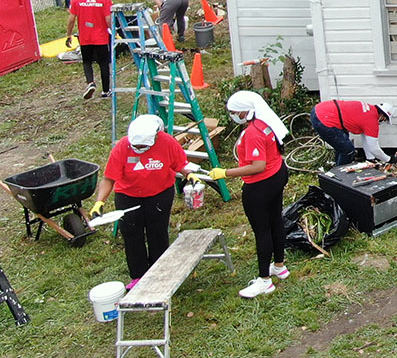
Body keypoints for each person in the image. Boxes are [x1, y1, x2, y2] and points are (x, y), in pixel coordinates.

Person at [90, 115, 198, 288]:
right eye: (137, 147)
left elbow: (180, 163)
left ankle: (160, 272)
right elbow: (109, 178)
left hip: (160, 194)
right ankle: (138, 276)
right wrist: (99, 202)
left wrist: (190, 174)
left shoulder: (167, 142)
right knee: (132, 235)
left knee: (158, 233)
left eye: (143, 147)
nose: (140, 149)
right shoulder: (122, 147)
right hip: (128, 196)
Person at [210, 91, 290, 299]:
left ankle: (264, 280)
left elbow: (257, 166)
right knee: (276, 221)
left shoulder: (254, 132)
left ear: (244, 111)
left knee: (262, 231)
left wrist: (225, 173)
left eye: (234, 112)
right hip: (277, 174)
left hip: (260, 186)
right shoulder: (265, 123)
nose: (233, 116)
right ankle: (279, 266)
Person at [310, 99, 394, 168]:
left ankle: (336, 169)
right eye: (384, 120)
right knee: (348, 150)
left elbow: (366, 138)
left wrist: (370, 159)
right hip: (324, 118)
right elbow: (374, 149)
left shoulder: (369, 110)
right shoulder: (372, 121)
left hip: (320, 110)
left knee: (342, 144)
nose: (382, 122)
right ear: (382, 116)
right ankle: (340, 176)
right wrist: (389, 159)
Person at [67, 0, 112, 99]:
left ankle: (90, 83)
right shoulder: (105, 0)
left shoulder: (76, 0)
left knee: (87, 62)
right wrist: (114, 31)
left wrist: (69, 35)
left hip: (85, 37)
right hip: (101, 38)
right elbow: (108, 20)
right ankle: (106, 91)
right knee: (103, 63)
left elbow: (71, 20)